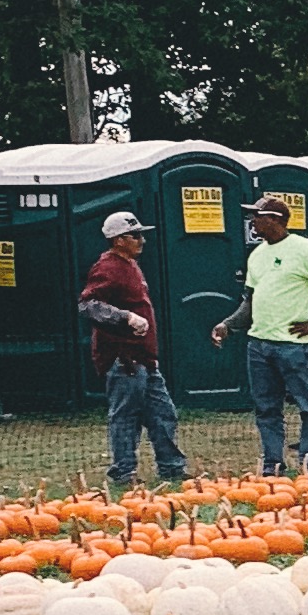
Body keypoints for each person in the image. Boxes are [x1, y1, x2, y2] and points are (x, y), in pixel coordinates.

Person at [213, 193, 308, 474]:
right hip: (260, 345)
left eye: (256, 216)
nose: (252, 221)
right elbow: (250, 300)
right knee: (267, 409)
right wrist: (229, 324)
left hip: (296, 346)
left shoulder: (304, 249)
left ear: (275, 220)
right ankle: (272, 462)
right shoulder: (257, 255)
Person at [81, 209, 188, 489]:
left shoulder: (130, 265)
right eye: (135, 235)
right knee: (126, 417)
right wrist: (124, 317)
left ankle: (172, 468)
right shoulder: (108, 267)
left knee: (163, 414)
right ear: (117, 240)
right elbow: (89, 305)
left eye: (142, 235)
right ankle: (123, 473)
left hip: (144, 358)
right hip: (125, 358)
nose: (142, 240)